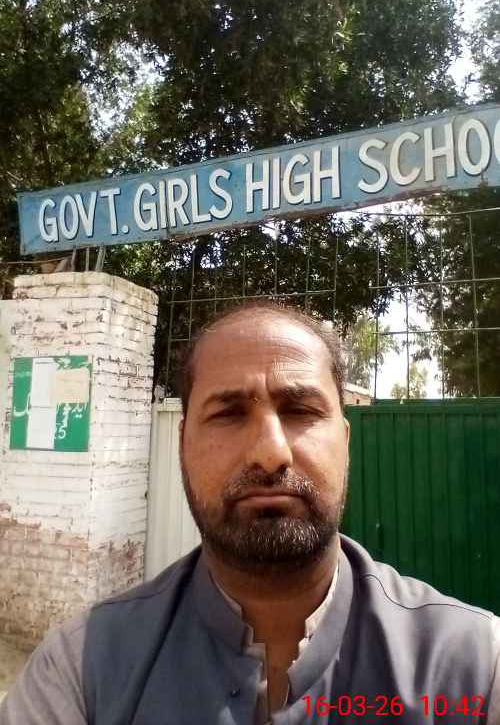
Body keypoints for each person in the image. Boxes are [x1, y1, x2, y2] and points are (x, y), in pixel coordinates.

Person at [1, 300, 499, 725]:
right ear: (182, 444)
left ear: (345, 442)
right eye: (229, 413)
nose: (271, 453)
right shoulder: (81, 669)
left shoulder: (474, 665)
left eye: (301, 411)